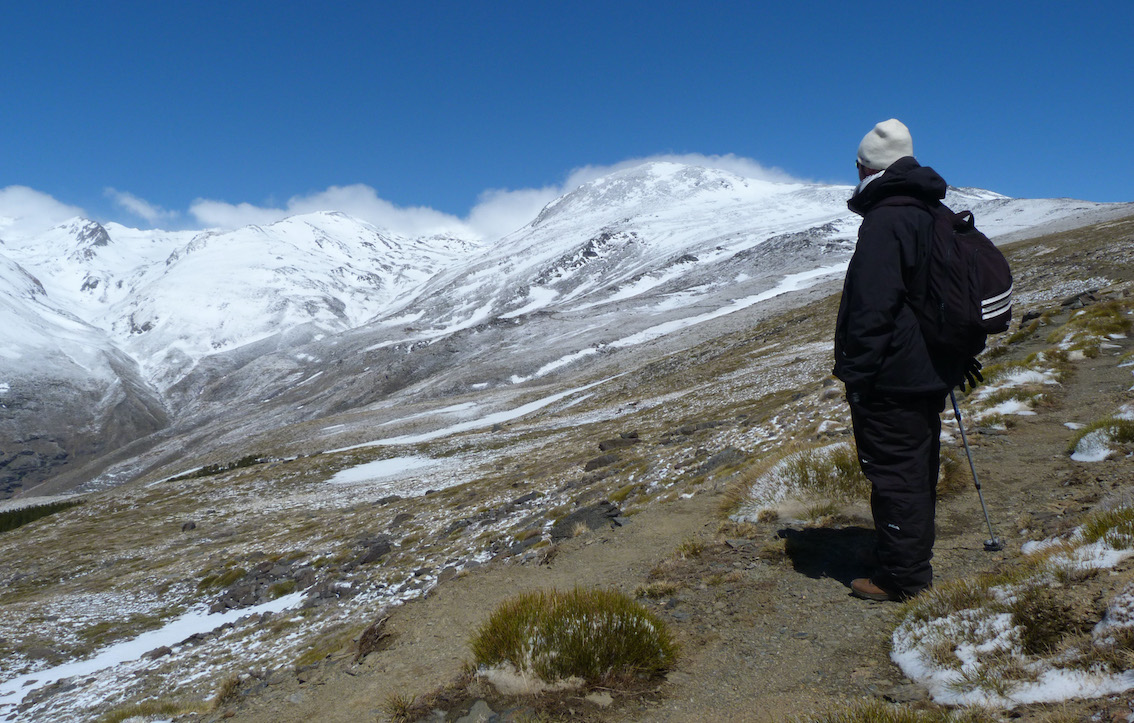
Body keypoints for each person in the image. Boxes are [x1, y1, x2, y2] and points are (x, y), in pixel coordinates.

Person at [833, 119, 968, 601]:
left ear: (867, 168)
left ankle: (903, 578)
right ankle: (902, 555)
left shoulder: (886, 220)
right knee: (915, 466)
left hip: (892, 375)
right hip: (928, 368)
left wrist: (857, 373)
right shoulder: (931, 210)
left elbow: (872, 307)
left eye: (858, 166)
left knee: (894, 472)